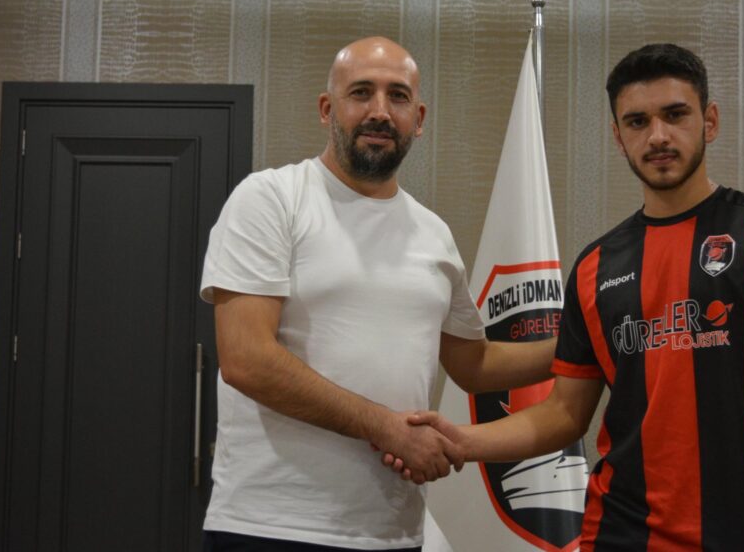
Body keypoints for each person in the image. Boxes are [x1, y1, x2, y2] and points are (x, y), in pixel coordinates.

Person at [396, 43, 744, 552]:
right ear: (618, 136)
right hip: (619, 533)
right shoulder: (596, 266)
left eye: (675, 115)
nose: (658, 136)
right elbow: (565, 413)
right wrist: (460, 441)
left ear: (710, 121)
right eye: (637, 122)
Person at [199, 36, 556, 552]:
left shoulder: (433, 233)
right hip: (271, 526)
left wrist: (585, 343)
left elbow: (475, 365)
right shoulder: (270, 198)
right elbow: (246, 359)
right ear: (327, 109)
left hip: (393, 532)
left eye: (398, 96)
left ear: (419, 118)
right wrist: (388, 429)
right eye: (361, 92)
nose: (380, 112)